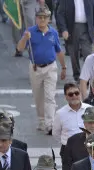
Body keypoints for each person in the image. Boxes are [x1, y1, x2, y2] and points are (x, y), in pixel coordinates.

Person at [16, 5, 68, 135]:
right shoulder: (30, 32)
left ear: (48, 19)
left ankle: (50, 124)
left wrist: (64, 67)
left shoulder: (53, 33)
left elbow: (58, 51)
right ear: (36, 19)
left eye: (45, 18)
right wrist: (24, 38)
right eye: (40, 18)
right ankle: (41, 119)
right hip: (35, 68)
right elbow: (20, 48)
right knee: (38, 96)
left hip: (50, 67)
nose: (42, 20)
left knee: (50, 97)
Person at [55, 82, 93, 170]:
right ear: (66, 97)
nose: (74, 96)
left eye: (76, 93)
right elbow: (56, 133)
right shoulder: (60, 113)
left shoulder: (89, 109)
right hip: (68, 150)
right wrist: (68, 143)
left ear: (80, 93)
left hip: (88, 148)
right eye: (70, 94)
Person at [56, 0, 94, 82]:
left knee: (88, 53)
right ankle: (77, 76)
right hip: (72, 29)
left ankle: (89, 76)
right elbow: (60, 14)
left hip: (86, 28)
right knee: (73, 54)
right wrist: (64, 30)